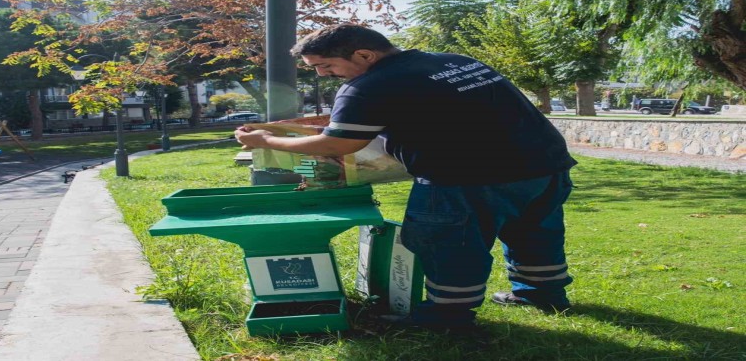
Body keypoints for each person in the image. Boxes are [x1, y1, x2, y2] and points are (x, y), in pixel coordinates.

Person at [235, 24, 577, 329]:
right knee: (534, 231)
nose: (324, 74)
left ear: (364, 55)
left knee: (449, 245)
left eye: (326, 65)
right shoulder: (455, 62)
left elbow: (338, 143)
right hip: (544, 165)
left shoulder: (368, 85)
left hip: (465, 176)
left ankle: (447, 316)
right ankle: (543, 294)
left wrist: (265, 141)